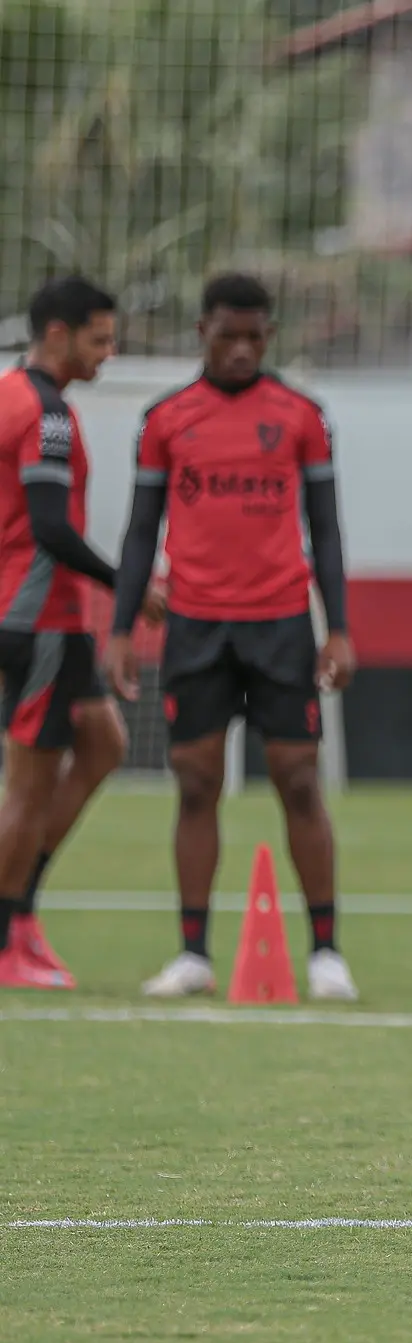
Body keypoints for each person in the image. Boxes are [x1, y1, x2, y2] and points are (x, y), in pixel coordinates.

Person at [107, 273, 360, 1002]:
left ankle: (326, 951)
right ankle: (193, 954)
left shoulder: (303, 416)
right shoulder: (165, 420)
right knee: (194, 782)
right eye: (229, 336)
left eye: (255, 337)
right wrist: (122, 627)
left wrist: (337, 626)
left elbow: (327, 529)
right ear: (202, 333)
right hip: (195, 626)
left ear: (269, 336)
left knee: (300, 779)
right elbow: (138, 530)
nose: (243, 349)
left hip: (281, 622)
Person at [0, 277, 142, 991]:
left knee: (103, 742)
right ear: (58, 334)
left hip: (43, 616)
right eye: (100, 339)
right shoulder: (46, 413)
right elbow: (50, 527)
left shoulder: (10, 396)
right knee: (28, 783)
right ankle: (5, 934)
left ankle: (20, 904)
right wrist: (131, 585)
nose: (109, 353)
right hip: (37, 619)